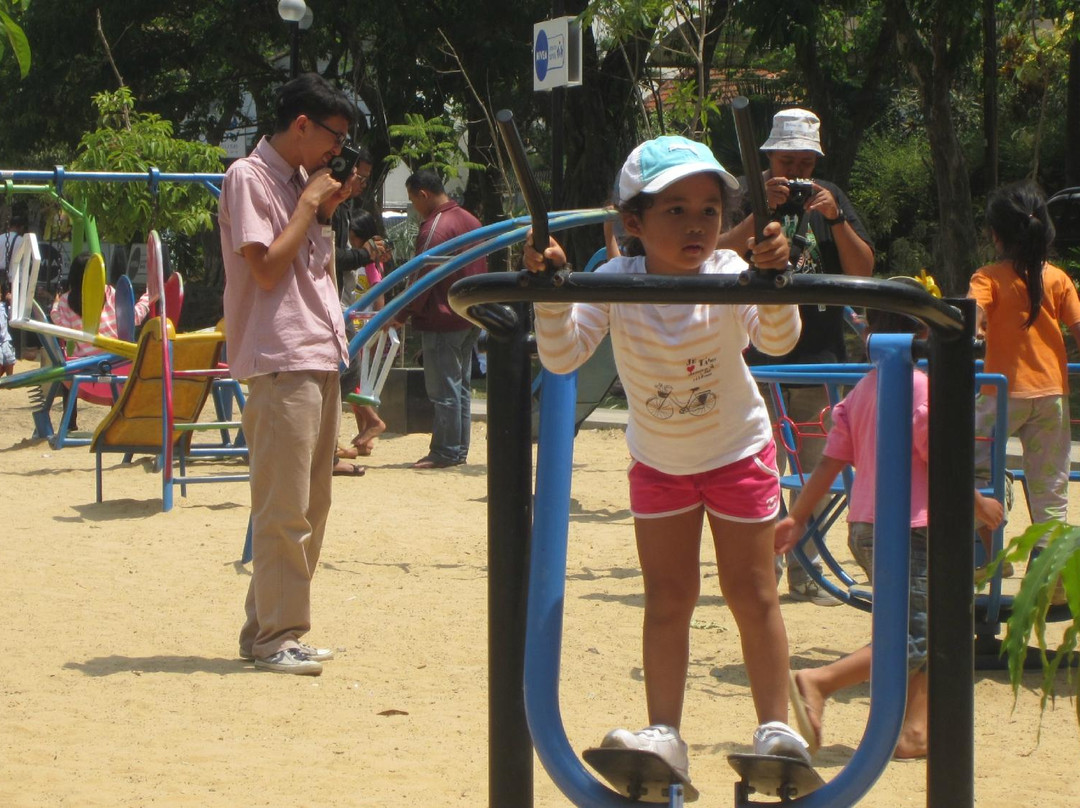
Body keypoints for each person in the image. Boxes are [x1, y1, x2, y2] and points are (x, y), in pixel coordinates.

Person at [523, 135, 810, 784]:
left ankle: (776, 727)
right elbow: (563, 357)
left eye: (710, 210)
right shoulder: (615, 283)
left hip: (737, 453)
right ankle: (664, 733)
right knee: (668, 597)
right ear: (633, 222)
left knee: (752, 592)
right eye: (675, 210)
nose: (696, 225)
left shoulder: (730, 273)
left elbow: (779, 341)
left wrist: (774, 282)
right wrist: (551, 294)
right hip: (659, 461)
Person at [777, 279, 1005, 758]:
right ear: (925, 336)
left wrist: (797, 518)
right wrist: (979, 505)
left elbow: (829, 463)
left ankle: (915, 731)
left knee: (919, 625)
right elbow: (939, 458)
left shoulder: (862, 390)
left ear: (870, 334)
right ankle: (819, 680)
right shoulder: (920, 389)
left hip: (867, 527)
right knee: (915, 636)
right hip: (910, 528)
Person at [219, 72, 357, 676]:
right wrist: (306, 206)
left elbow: (313, 269)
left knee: (312, 504)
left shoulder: (303, 184)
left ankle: (269, 628)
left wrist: (323, 211)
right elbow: (267, 270)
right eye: (334, 137)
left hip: (319, 351)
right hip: (280, 359)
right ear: (302, 124)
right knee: (284, 508)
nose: (337, 150)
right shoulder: (248, 177)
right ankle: (278, 637)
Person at [722, 107, 875, 606]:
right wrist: (758, 212)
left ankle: (804, 571)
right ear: (768, 157)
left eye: (806, 164)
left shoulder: (830, 196)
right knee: (757, 471)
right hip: (754, 358)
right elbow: (714, 258)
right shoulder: (744, 196)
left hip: (818, 357)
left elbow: (863, 270)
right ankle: (759, 572)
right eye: (787, 162)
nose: (796, 174)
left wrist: (834, 218)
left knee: (813, 474)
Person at [968, 181, 1080, 600]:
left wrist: (975, 333)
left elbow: (973, 313)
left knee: (971, 470)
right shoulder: (1059, 279)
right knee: (1050, 485)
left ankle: (983, 552)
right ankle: (1049, 572)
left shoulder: (988, 277)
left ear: (995, 235)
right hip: (1051, 395)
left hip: (1001, 394)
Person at [394, 169, 486, 470]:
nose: (414, 208)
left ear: (423, 194)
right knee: (460, 386)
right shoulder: (470, 220)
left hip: (442, 317)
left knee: (444, 388)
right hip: (469, 314)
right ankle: (457, 449)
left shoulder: (435, 228)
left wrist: (401, 313)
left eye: (413, 201)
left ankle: (446, 450)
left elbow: (423, 277)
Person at [334, 208, 390, 472]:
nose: (349, 242)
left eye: (351, 237)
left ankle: (373, 423)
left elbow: (378, 293)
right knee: (355, 382)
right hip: (357, 323)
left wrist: (377, 325)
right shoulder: (362, 258)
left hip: (362, 326)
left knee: (351, 381)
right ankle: (365, 439)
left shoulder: (368, 261)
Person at [0, 213, 27, 287]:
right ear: (21, 227)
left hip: (1, 279)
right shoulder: (22, 241)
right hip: (16, 279)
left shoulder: (0, 238)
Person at [0, 282, 14, 376]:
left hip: (5, 341)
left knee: (10, 360)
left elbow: (12, 316)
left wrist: (12, 301)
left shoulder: (3, 306)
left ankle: (10, 380)